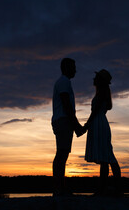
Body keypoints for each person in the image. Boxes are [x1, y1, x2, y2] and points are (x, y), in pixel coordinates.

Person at [83, 69, 121, 195]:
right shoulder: (102, 93)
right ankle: (106, 188)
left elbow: (94, 112)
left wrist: (87, 124)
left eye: (96, 77)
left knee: (108, 157)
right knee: (106, 157)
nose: (93, 79)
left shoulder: (101, 94)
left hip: (99, 123)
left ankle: (111, 188)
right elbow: (106, 108)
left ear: (99, 80)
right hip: (101, 122)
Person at [51, 58, 83, 196]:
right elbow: (66, 104)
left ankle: (60, 187)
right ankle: (59, 188)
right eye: (73, 67)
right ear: (66, 68)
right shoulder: (64, 82)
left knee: (62, 154)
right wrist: (76, 125)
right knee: (62, 154)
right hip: (63, 121)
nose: (75, 70)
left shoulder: (64, 82)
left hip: (63, 121)